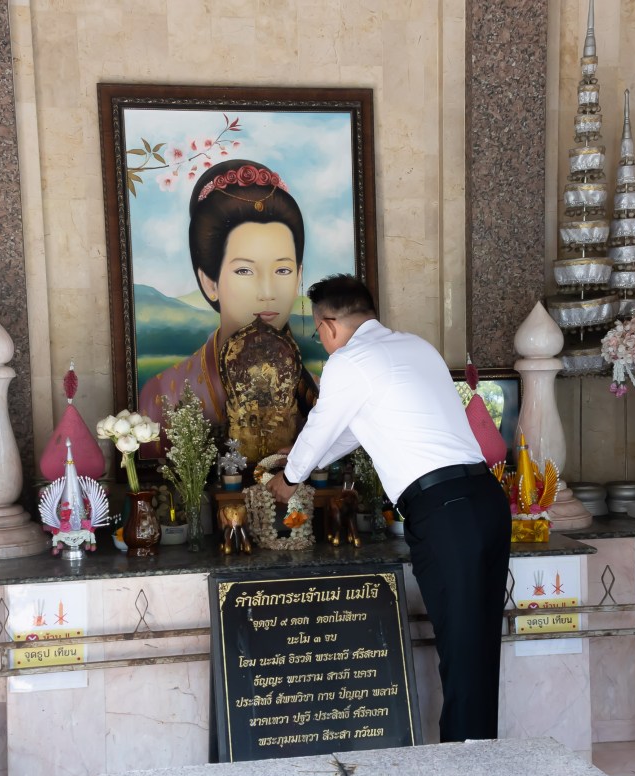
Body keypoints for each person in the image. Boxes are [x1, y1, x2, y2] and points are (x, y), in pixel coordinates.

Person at [269, 275, 512, 742]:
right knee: (480, 642)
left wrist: (290, 479)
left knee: (461, 648)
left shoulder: (349, 362)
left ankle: (462, 772)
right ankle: (480, 761)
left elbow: (321, 426)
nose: (321, 341)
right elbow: (350, 433)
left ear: (330, 325)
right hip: (484, 500)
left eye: (318, 330)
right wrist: (300, 461)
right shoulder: (416, 347)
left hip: (445, 510)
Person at [139, 158, 318, 456]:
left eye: (283, 271)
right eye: (245, 271)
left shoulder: (323, 392)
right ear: (209, 282)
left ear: (299, 275)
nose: (267, 292)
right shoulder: (162, 393)